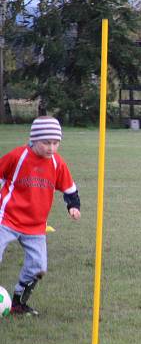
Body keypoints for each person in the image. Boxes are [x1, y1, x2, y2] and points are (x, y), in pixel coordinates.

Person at [0, 117, 81, 316]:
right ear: (33, 140)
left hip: (36, 226)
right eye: (46, 143)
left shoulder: (57, 163)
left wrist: (73, 206)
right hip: (7, 219)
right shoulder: (17, 156)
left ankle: (18, 303)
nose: (51, 148)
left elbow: (70, 188)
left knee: (38, 267)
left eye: (55, 143)